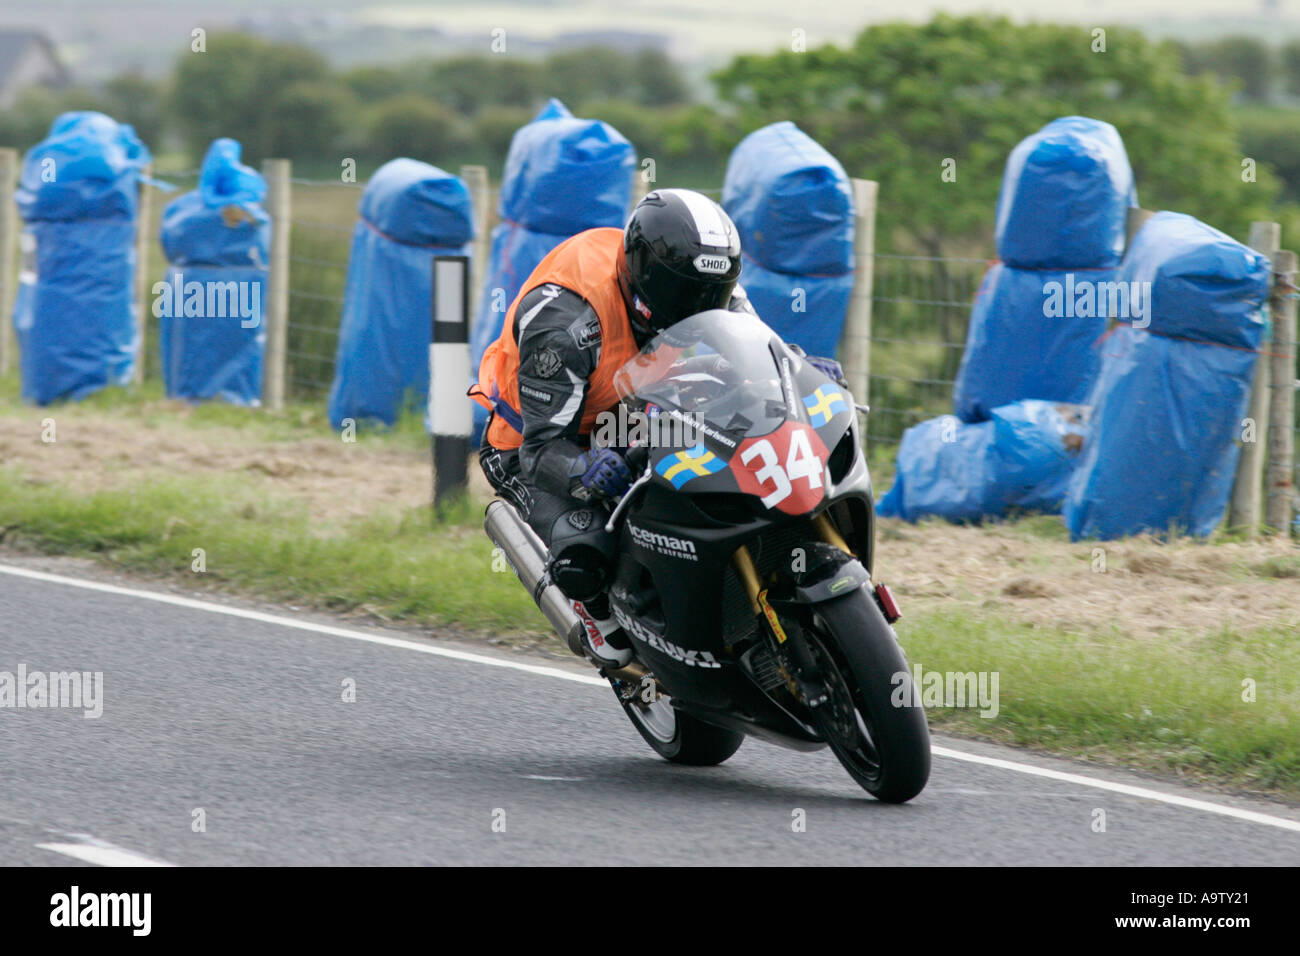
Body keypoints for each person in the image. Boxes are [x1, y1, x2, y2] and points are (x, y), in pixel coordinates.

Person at [471, 188, 843, 668]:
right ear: (641, 274)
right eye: (684, 293)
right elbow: (541, 450)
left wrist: (800, 368)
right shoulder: (566, 323)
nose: (700, 305)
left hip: (634, 409)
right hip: (537, 442)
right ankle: (595, 611)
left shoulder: (709, 286)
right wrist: (582, 469)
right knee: (587, 548)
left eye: (712, 294)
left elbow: (761, 355)